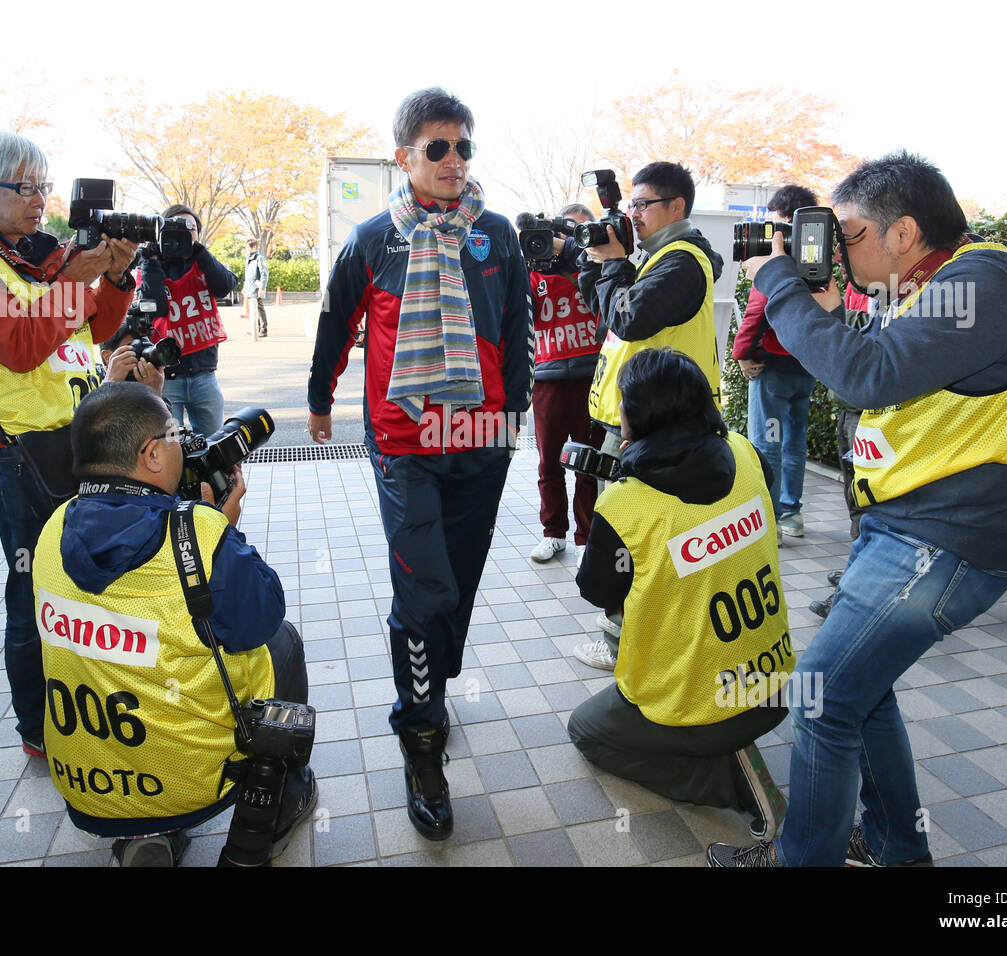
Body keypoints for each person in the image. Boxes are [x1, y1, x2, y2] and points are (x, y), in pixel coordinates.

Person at [709, 151, 1007, 867]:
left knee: (820, 700)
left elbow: (867, 379)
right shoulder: (923, 287)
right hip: (905, 530)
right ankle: (896, 846)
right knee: (860, 696)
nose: (837, 250)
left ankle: (801, 861)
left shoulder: (984, 282)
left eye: (848, 233)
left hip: (944, 539)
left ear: (903, 232)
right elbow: (875, 371)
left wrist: (777, 283)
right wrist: (830, 312)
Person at [306, 87, 532, 841]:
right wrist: (319, 402)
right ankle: (421, 741)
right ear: (404, 157)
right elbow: (336, 323)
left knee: (456, 588)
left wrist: (515, 416)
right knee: (424, 591)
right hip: (405, 449)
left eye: (464, 147)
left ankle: (433, 685)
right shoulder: (373, 240)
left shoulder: (496, 234)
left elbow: (518, 328)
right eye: (438, 148)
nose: (454, 161)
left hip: (482, 443)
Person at [32, 382, 316, 866]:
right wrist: (218, 527)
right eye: (174, 434)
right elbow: (262, 612)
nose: (183, 444)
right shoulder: (197, 532)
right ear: (151, 455)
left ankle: (144, 835)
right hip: (192, 773)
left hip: (86, 777)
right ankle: (278, 808)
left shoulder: (54, 527)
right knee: (281, 642)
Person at [0, 129, 137, 757]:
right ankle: (37, 731)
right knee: (33, 587)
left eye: (43, 186)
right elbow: (20, 347)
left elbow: (94, 328)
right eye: (23, 187)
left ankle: (91, 707)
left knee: (81, 579)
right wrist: (75, 277)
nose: (39, 199)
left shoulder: (34, 255)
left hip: (69, 437)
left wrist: (115, 277)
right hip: (11, 453)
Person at [568, 347, 791, 839]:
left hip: (703, 704)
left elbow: (596, 590)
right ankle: (720, 751)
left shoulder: (627, 504)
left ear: (638, 416)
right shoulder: (745, 452)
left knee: (585, 730)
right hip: (773, 681)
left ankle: (725, 781)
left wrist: (623, 489)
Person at [574, 160, 724, 670]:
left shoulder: (681, 261)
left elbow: (629, 317)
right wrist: (594, 262)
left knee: (627, 531)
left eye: (642, 204)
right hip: (642, 420)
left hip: (653, 427)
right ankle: (639, 632)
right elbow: (608, 316)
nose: (632, 214)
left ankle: (621, 644)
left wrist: (613, 264)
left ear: (676, 206)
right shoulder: (661, 258)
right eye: (631, 204)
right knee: (645, 532)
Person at [733, 184, 819, 539]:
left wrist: (742, 355)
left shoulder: (775, 264)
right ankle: (791, 514)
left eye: (773, 224)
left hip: (772, 368)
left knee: (767, 444)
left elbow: (756, 312)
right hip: (807, 366)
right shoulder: (817, 258)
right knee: (795, 442)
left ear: (785, 222)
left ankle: (769, 521)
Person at [527, 204, 604, 567]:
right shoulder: (534, 269)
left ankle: (588, 538)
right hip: (547, 380)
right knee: (549, 465)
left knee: (590, 465)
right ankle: (553, 533)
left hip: (592, 378)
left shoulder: (596, 267)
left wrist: (578, 260)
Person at [809, 285, 878, 618]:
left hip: (873, 412)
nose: (837, 254)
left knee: (871, 505)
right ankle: (857, 567)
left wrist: (830, 311)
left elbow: (872, 336)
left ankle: (857, 586)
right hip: (850, 405)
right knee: (855, 499)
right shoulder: (858, 282)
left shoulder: (897, 284)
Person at [146, 204, 237, 437]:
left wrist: (200, 252)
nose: (184, 233)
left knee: (215, 447)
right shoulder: (152, 264)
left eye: (191, 228)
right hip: (167, 376)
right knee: (170, 450)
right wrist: (152, 261)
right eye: (175, 227)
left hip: (204, 374)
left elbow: (225, 286)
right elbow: (156, 307)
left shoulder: (203, 262)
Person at [243, 239, 270, 339]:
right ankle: (257, 329)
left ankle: (263, 329)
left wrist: (262, 288)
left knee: (259, 308)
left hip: (257, 287)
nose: (246, 249)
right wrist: (245, 287)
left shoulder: (259, 258)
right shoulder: (248, 259)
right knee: (254, 310)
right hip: (250, 287)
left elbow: (264, 273)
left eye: (248, 247)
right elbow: (247, 275)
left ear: (254, 247)